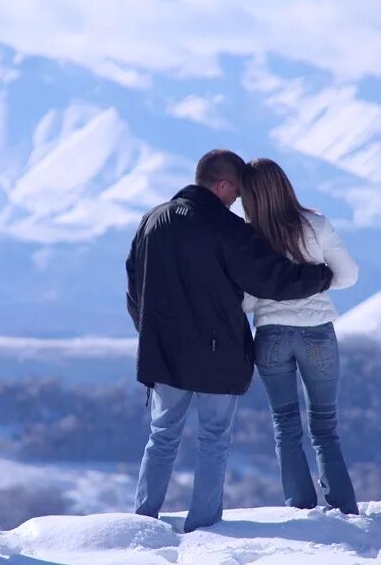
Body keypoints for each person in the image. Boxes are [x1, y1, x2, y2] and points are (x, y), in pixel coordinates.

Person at [125, 149, 334, 532]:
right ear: (223, 185)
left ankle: (143, 520)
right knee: (213, 440)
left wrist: (153, 333)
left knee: (162, 436)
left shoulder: (151, 221)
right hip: (216, 356)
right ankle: (203, 526)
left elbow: (134, 291)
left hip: (164, 353)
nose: (237, 201)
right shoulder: (225, 228)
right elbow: (270, 278)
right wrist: (320, 277)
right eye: (236, 193)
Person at [240, 157, 359, 515]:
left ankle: (301, 508)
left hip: (271, 336)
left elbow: (245, 301)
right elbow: (349, 275)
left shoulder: (249, 236)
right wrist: (318, 280)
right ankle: (343, 509)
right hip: (317, 334)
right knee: (325, 426)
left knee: (285, 424)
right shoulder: (316, 224)